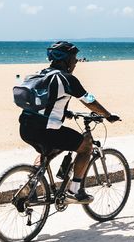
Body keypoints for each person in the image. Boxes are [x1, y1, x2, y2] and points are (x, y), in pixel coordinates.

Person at [18, 41, 120, 204]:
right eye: (74, 58)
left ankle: (30, 184)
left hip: (25, 127)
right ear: (66, 60)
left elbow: (46, 101)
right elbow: (89, 101)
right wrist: (107, 115)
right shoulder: (67, 79)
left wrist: (65, 112)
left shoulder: (39, 75)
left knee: (47, 151)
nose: (76, 62)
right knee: (86, 146)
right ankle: (74, 191)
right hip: (47, 130)